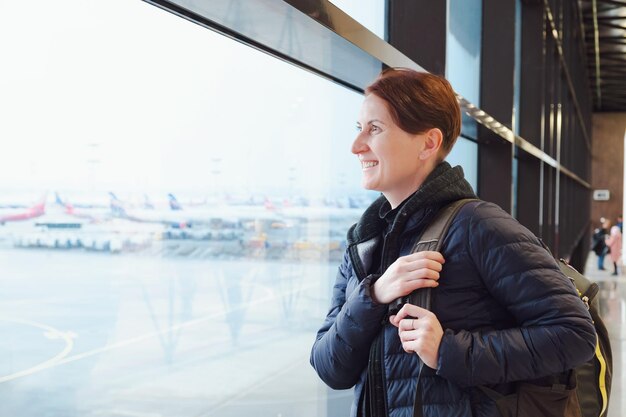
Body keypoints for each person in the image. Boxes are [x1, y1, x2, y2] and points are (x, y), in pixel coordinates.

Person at [309, 68, 596, 417]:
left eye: (375, 129)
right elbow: (330, 368)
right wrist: (374, 295)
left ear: (428, 143)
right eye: (359, 129)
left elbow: (574, 334)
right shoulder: (363, 244)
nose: (356, 146)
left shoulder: (479, 227)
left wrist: (448, 350)